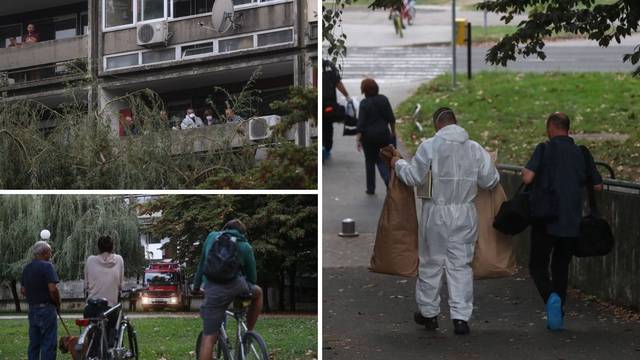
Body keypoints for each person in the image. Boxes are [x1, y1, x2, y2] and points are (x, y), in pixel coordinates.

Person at [391, 107, 499, 335]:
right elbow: (490, 181)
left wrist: (398, 164)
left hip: (436, 212)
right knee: (461, 265)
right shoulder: (475, 149)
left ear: (436, 125)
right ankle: (461, 318)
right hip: (465, 212)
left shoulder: (429, 146)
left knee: (431, 263)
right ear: (455, 122)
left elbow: (413, 177)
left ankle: (429, 314)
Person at [522, 112, 603, 330]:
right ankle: (557, 316)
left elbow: (527, 177)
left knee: (537, 266)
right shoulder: (582, 153)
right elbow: (597, 186)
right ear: (568, 128)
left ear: (551, 127)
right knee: (561, 268)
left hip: (545, 220)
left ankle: (550, 298)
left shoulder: (544, 149)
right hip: (571, 221)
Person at [192, 219, 263, 360]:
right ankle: (248, 332)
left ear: (224, 229)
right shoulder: (244, 246)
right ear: (243, 233)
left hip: (212, 291)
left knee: (208, 339)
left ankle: (216, 339)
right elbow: (252, 279)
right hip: (237, 287)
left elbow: (201, 265)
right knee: (258, 293)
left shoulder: (212, 237)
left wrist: (195, 287)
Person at [21, 241, 61, 360]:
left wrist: (34, 296)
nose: (51, 254)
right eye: (50, 251)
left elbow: (23, 290)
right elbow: (53, 289)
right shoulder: (48, 266)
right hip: (47, 309)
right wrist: (58, 304)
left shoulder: (27, 268)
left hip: (33, 309)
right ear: (44, 253)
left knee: (34, 344)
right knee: (49, 343)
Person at [356, 78, 395, 195]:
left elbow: (361, 124)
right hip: (384, 135)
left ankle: (371, 188)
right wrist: (393, 132)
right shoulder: (384, 99)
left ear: (364, 90)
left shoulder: (364, 103)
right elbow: (391, 118)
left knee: (370, 161)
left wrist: (358, 139)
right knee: (383, 160)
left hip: (368, 138)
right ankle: (388, 179)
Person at [84, 235, 124, 307]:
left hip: (92, 306)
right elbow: (121, 286)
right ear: (112, 247)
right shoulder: (119, 260)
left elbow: (86, 285)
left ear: (98, 247)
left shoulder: (90, 260)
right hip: (111, 308)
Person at [322, 59, 350, 160]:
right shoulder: (330, 66)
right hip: (329, 105)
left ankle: (323, 148)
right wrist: (347, 96)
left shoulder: (312, 64)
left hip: (317, 104)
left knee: (321, 126)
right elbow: (338, 83)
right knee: (328, 127)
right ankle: (326, 149)